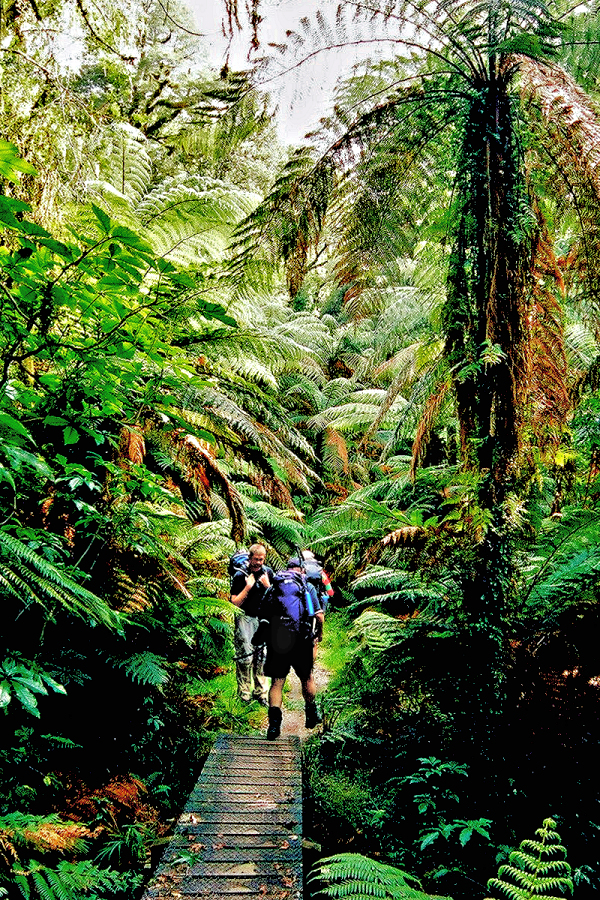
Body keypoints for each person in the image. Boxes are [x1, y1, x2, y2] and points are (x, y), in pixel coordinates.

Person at [259, 557, 324, 740]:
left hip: (278, 641)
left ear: (287, 569)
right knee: (307, 677)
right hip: (302, 641)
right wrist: (318, 634)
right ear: (302, 570)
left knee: (277, 683)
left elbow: (263, 614)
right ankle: (311, 713)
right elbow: (319, 617)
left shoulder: (275, 586)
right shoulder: (307, 586)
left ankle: (273, 726)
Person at [230, 543, 273, 705]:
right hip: (245, 618)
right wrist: (248, 587)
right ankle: (244, 694)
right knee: (245, 656)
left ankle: (261, 694)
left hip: (262, 619)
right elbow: (234, 603)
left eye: (261, 559)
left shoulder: (268, 573)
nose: (258, 563)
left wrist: (267, 586)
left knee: (262, 657)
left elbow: (276, 598)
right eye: (256, 559)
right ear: (250, 558)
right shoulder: (240, 575)